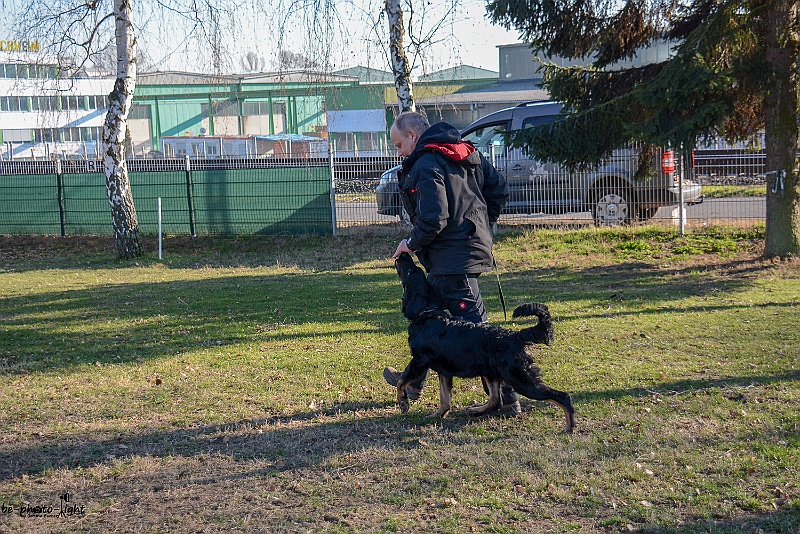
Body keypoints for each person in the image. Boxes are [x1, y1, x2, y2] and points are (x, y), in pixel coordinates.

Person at [382, 111, 520, 416]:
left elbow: (434, 218)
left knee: (478, 331)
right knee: (429, 317)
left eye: (399, 144)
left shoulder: (427, 163)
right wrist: (479, 225)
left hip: (453, 257)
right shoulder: (466, 151)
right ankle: (413, 382)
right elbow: (498, 189)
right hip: (453, 254)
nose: (399, 152)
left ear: (413, 135)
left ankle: (507, 399)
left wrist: (410, 243)